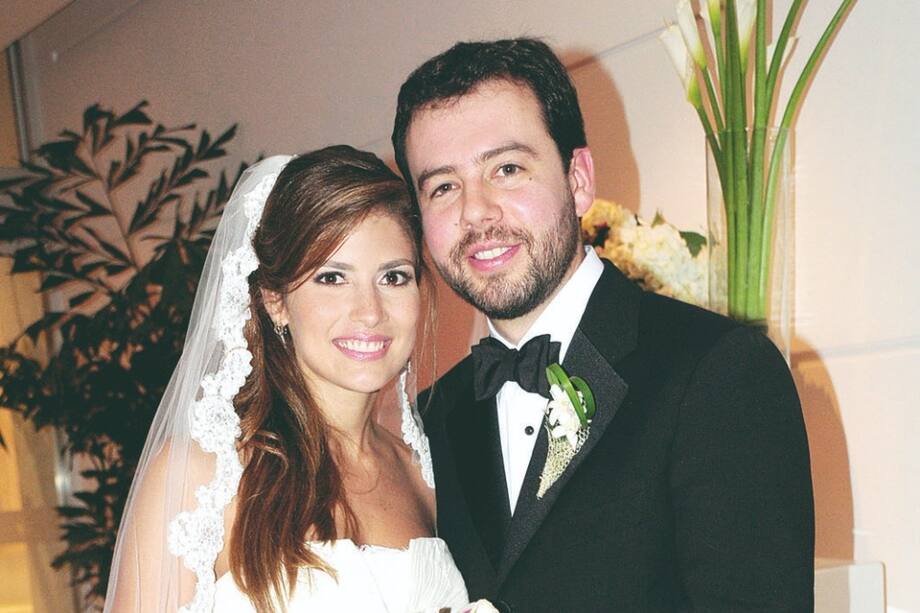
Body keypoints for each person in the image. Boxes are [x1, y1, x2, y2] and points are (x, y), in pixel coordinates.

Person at [392, 38, 815, 612]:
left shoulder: (719, 372)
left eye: (507, 169)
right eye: (443, 186)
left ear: (578, 180)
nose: (476, 211)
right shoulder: (428, 420)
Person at [104, 146, 472, 612]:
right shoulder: (200, 476)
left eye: (394, 277)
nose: (370, 312)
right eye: (332, 278)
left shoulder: (425, 473)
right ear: (275, 300)